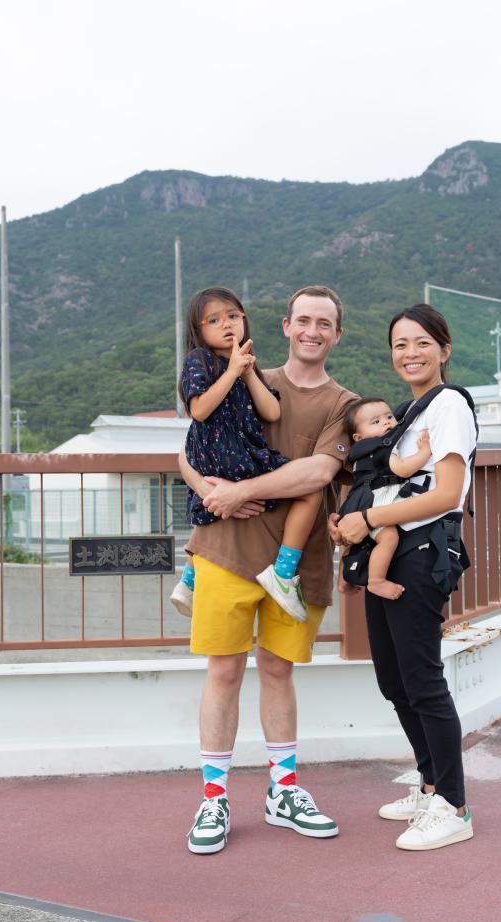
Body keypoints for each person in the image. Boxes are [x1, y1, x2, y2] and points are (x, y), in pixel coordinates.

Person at [178, 285, 358, 855]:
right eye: (303, 320)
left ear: (337, 334)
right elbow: (186, 447)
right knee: (223, 673)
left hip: (296, 566)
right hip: (225, 549)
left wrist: (240, 491)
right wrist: (210, 490)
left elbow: (317, 475)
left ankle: (283, 791)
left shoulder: (345, 405)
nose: (312, 331)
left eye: (323, 323)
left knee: (279, 672)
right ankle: (214, 798)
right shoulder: (237, 370)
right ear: (284, 325)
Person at [330, 303, 476, 852]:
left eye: (421, 343)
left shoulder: (449, 404)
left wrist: (368, 519)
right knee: (394, 680)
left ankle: (454, 806)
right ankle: (431, 785)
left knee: (422, 679)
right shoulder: (407, 412)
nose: (410, 353)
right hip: (388, 554)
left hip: (421, 552)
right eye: (400, 344)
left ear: (444, 349)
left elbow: (446, 494)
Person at [170, 287, 323, 624]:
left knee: (211, 509)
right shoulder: (200, 360)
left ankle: (188, 580)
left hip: (229, 455)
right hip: (225, 453)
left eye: (233, 316)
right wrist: (231, 372)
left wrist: (248, 371)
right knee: (310, 491)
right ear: (197, 329)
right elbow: (199, 409)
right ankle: (283, 573)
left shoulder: (243, 365)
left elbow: (272, 412)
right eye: (213, 320)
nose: (226, 324)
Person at [338, 397, 431, 600]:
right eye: (376, 422)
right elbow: (403, 469)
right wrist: (425, 452)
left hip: (359, 502)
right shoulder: (383, 447)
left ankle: (345, 575)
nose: (386, 422)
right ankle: (376, 581)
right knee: (389, 538)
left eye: (389, 416)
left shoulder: (361, 453)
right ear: (358, 437)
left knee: (361, 542)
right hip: (376, 502)